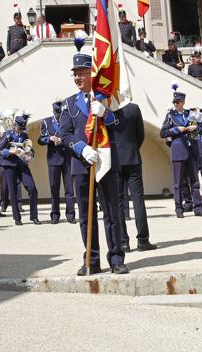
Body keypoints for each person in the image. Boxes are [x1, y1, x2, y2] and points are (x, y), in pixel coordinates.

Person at [57, 40, 127, 275]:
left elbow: (121, 126)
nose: (78, 78)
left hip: (105, 161)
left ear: (92, 74)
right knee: (86, 215)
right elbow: (64, 133)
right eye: (75, 74)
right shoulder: (69, 103)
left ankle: (116, 258)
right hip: (81, 163)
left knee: (111, 212)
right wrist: (81, 148)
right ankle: (91, 260)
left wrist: (106, 114)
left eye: (83, 73)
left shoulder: (108, 98)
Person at [113, 101, 156, 252]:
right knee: (138, 200)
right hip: (132, 157)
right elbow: (140, 134)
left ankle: (123, 242)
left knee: (118, 202)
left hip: (114, 159)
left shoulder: (106, 108)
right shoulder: (133, 108)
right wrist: (133, 148)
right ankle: (143, 240)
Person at [160, 85, 202, 218]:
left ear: (183, 102)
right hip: (178, 150)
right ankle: (179, 208)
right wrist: (175, 130)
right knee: (178, 183)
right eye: (174, 102)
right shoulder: (170, 115)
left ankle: (198, 208)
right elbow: (162, 133)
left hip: (192, 150)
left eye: (178, 102)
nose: (175, 104)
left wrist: (195, 128)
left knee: (195, 181)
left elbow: (201, 128)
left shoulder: (191, 113)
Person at [0, 114, 40, 225]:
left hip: (22, 164)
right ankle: (17, 218)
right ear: (14, 126)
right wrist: (11, 151)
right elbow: (0, 150)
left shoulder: (25, 135)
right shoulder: (7, 135)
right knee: (13, 191)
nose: (21, 130)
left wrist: (30, 154)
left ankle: (34, 216)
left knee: (32, 188)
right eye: (20, 128)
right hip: (9, 165)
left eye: (22, 128)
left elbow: (30, 148)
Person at [38, 101, 74, 224]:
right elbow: (40, 140)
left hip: (67, 158)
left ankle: (70, 215)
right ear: (53, 111)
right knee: (54, 188)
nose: (59, 114)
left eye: (60, 112)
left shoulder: (68, 120)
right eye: (57, 112)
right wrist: (49, 138)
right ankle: (55, 215)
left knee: (69, 189)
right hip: (53, 159)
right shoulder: (46, 122)